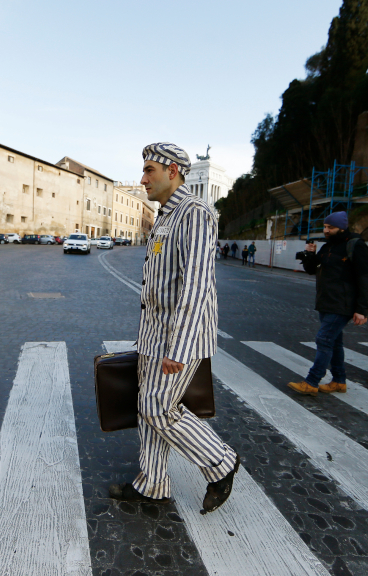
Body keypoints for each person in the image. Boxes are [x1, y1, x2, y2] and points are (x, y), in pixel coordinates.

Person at [109, 142, 239, 514]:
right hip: (154, 334)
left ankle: (221, 462)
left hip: (179, 339)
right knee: (146, 408)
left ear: (172, 171)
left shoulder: (194, 212)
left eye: (149, 170)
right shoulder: (166, 215)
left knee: (157, 407)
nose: (142, 179)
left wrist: (178, 349)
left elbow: (197, 285)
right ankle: (152, 484)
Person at [290, 211, 368, 395]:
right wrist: (309, 254)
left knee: (324, 339)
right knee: (334, 342)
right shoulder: (328, 246)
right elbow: (312, 269)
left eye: (331, 227)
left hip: (343, 303)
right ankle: (339, 381)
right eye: (325, 227)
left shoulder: (356, 246)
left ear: (342, 228)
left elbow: (367, 278)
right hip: (326, 301)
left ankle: (312, 382)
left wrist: (362, 309)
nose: (326, 230)